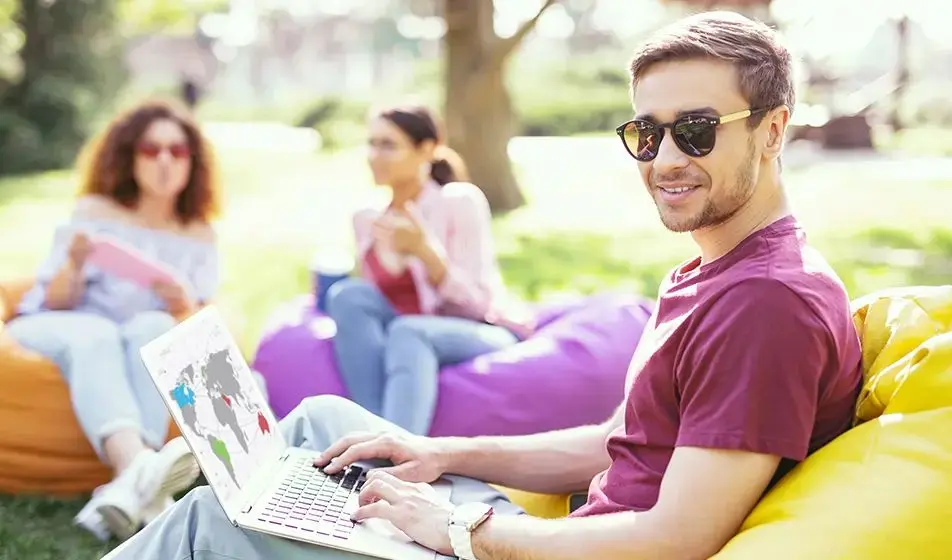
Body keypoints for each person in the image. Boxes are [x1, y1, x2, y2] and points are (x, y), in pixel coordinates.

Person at [108, 11, 863, 560]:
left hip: (540, 552)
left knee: (212, 522)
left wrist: (457, 529)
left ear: (772, 129)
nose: (665, 157)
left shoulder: (766, 304)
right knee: (326, 422)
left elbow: (675, 539)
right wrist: (438, 453)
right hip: (536, 535)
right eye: (646, 133)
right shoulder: (713, 271)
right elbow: (619, 442)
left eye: (696, 129)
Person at [5, 99, 221, 542]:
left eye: (177, 151)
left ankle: (128, 490)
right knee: (98, 334)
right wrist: (76, 265)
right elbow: (53, 299)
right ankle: (137, 465)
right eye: (150, 149)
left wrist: (182, 301)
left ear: (192, 162)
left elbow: (197, 324)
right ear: (129, 155)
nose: (164, 161)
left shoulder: (200, 235)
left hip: (137, 334)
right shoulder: (96, 211)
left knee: (154, 330)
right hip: (59, 324)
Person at [324, 104, 532, 436]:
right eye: (372, 143)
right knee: (347, 295)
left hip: (478, 329)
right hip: (405, 340)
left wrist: (425, 253)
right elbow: (371, 308)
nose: (374, 155)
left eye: (388, 145)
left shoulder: (459, 202)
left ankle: (396, 453)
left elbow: (476, 304)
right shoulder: (366, 218)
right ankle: (376, 435)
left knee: (409, 330)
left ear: (427, 149)